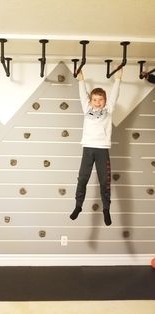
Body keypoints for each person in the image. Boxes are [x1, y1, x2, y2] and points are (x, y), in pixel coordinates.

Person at [70, 68, 123, 226]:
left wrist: (118, 79)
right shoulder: (87, 109)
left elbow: (114, 95)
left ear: (105, 101)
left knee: (105, 182)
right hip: (88, 148)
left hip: (102, 149)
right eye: (95, 99)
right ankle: (78, 206)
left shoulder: (109, 109)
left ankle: (106, 209)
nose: (98, 102)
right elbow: (82, 94)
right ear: (91, 101)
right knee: (82, 179)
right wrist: (81, 80)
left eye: (100, 100)